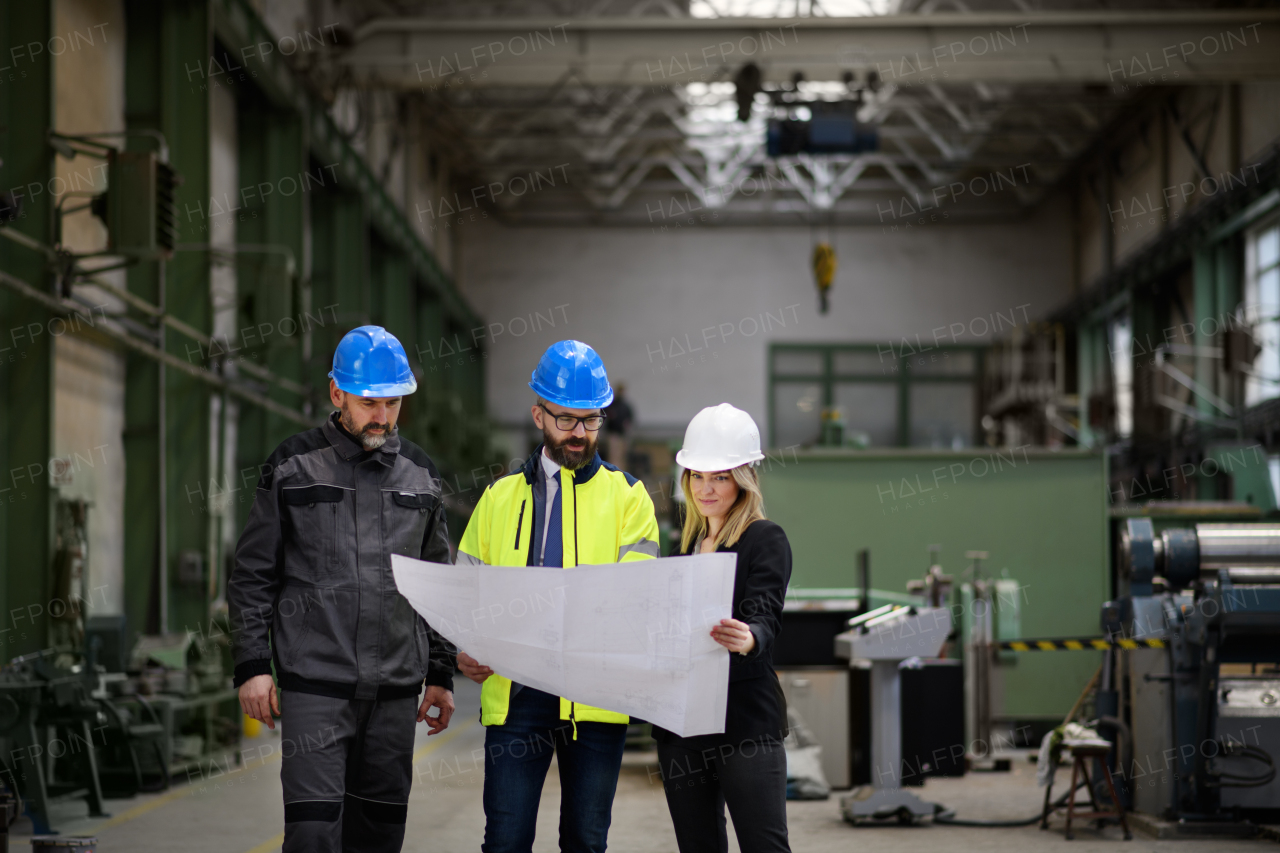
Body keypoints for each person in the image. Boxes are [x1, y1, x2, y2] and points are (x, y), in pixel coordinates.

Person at [229, 325, 457, 853]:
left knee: (378, 838)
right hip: (316, 687)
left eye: (393, 404)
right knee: (313, 835)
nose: (382, 417)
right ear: (337, 395)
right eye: (369, 403)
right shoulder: (292, 466)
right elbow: (253, 574)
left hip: (396, 693)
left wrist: (441, 674)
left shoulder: (420, 475)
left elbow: (437, 584)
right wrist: (252, 666)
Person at [454, 339, 661, 853]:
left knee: (586, 843)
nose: (580, 434)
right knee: (505, 841)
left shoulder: (629, 498)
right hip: (516, 695)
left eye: (591, 421)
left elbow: (638, 596)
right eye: (567, 420)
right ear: (538, 414)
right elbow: (464, 590)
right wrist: (464, 644)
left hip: (595, 698)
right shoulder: (499, 497)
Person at [652, 403, 793, 853]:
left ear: (744, 478)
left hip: (744, 722)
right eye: (697, 476)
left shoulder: (764, 538)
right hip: (683, 723)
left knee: (764, 845)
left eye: (720, 476)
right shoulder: (687, 547)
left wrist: (751, 636)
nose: (705, 488)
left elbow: (766, 611)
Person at [603, 381, 634, 469]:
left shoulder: (625, 406)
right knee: (613, 455)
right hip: (613, 434)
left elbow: (630, 419)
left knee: (622, 456)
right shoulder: (612, 405)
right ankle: (613, 471)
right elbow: (605, 416)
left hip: (622, 435)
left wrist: (627, 426)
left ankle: (621, 472)